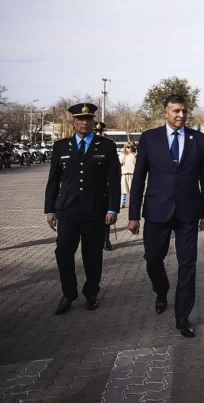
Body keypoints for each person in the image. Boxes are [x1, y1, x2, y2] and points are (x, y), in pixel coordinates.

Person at [128, 95, 204, 338]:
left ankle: (183, 316)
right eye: (176, 111)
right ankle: (161, 290)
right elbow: (139, 177)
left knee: (188, 264)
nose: (181, 115)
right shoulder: (149, 138)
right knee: (153, 258)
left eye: (184, 111)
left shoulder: (198, 139)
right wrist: (133, 214)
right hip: (156, 210)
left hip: (188, 211)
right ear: (165, 112)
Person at [44, 103, 121, 315]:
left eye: (88, 119)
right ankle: (68, 294)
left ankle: (91, 293)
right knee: (63, 252)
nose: (84, 123)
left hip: (95, 211)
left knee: (93, 255)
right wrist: (49, 210)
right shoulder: (61, 147)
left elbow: (114, 181)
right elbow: (53, 182)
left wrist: (113, 209)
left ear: (93, 122)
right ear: (74, 122)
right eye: (80, 119)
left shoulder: (106, 146)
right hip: (67, 211)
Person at [94, 121, 116, 252]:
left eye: (100, 132)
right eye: (96, 132)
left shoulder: (107, 146)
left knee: (106, 219)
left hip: (105, 190)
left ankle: (106, 240)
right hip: (93, 190)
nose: (98, 134)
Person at [120, 142, 136, 209]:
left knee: (132, 190)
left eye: (131, 147)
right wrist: (124, 156)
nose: (129, 148)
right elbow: (120, 162)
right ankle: (122, 203)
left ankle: (133, 203)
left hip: (132, 174)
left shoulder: (134, 155)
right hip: (124, 174)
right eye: (128, 147)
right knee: (123, 190)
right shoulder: (123, 155)